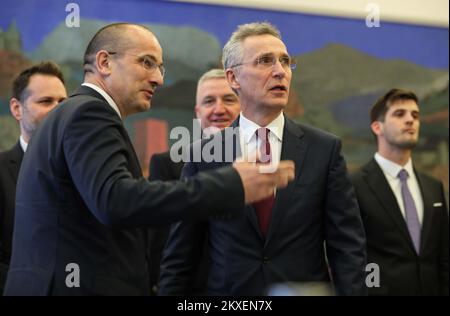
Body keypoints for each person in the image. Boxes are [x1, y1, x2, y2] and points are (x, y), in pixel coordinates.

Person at [4, 23, 295, 296]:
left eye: (160, 67)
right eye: (146, 62)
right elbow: (116, 200)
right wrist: (231, 184)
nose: (158, 78)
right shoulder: (88, 114)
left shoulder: (70, 114)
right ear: (104, 63)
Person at [159, 22, 367, 296]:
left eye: (285, 61)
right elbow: (181, 255)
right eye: (265, 61)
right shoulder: (203, 155)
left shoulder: (324, 149)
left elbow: (348, 247)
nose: (280, 71)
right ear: (233, 78)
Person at [147, 68, 240, 294]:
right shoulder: (167, 165)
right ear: (198, 112)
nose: (219, 109)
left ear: (243, 106)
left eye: (229, 99)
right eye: (209, 101)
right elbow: (161, 245)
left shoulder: (261, 163)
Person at [351, 89, 449, 296]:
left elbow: (443, 255)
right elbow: (351, 255)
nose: (410, 120)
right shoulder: (354, 185)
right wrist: (373, 289)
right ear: (377, 127)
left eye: (415, 115)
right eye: (399, 114)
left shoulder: (434, 187)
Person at [0, 61, 67, 294]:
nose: (58, 109)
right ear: (17, 109)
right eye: (46, 101)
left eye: (62, 102)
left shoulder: (85, 172)